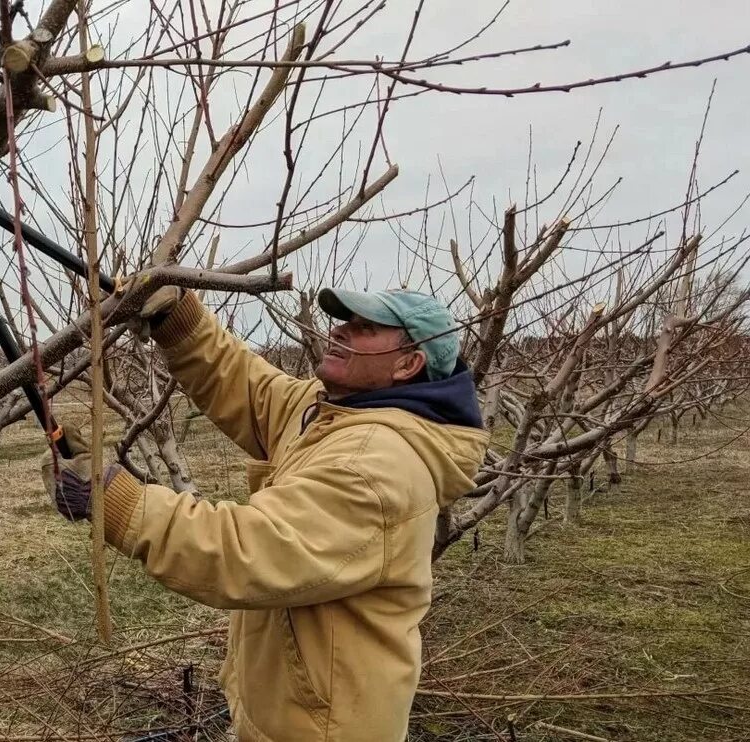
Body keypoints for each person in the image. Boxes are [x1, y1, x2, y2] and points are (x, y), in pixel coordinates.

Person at [42, 286, 489, 741]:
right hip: (293, 714)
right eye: (345, 321)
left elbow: (245, 551)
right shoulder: (334, 413)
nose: (340, 332)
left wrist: (115, 501)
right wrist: (179, 319)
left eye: (364, 329)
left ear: (407, 364)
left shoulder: (376, 467)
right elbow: (251, 388)